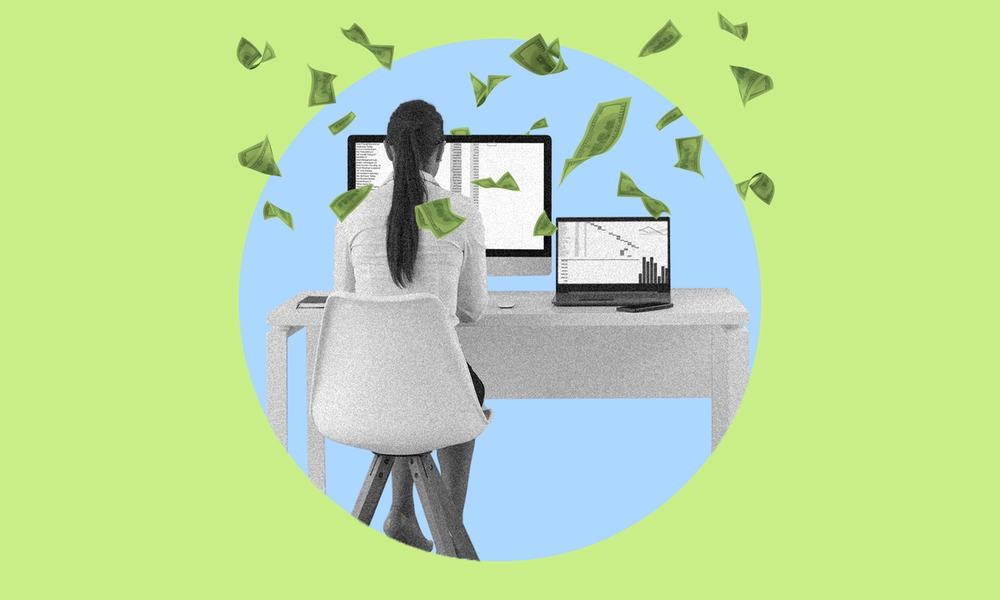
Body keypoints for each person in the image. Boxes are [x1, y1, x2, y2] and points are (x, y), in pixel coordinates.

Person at [332, 99, 489, 551]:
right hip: (432, 395)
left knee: (401, 377)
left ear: (386, 150)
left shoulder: (352, 213)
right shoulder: (460, 210)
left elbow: (345, 299)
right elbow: (474, 311)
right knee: (453, 385)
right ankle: (449, 528)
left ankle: (401, 512)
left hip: (365, 396)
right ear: (439, 153)